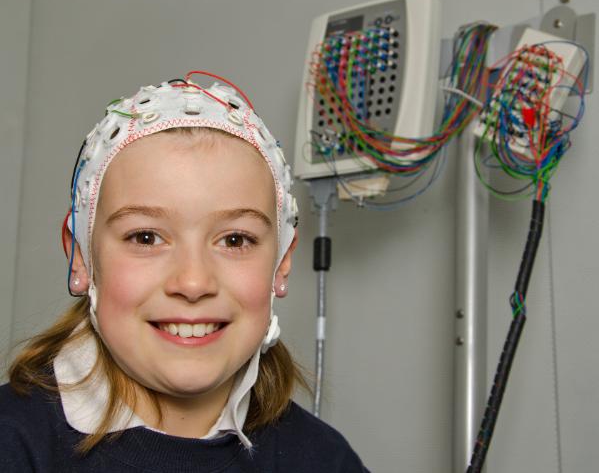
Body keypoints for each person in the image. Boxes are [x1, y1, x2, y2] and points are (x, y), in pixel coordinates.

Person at [0, 71, 368, 472]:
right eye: (145, 237)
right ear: (82, 260)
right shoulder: (15, 443)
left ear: (281, 265)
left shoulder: (326, 459)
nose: (193, 283)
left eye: (234, 240)